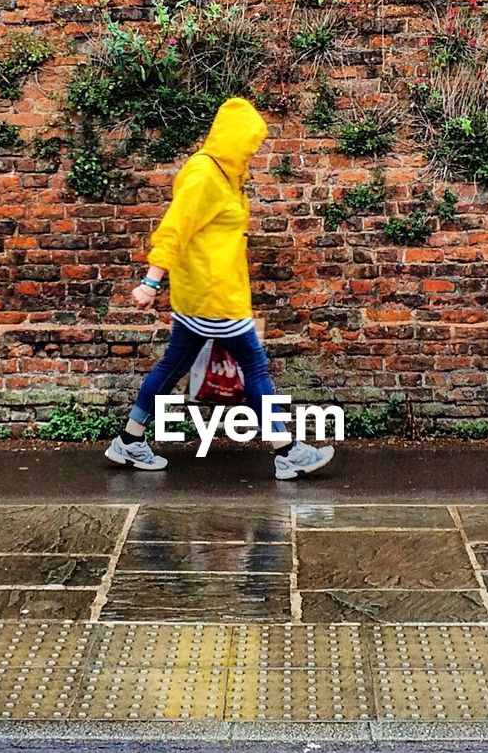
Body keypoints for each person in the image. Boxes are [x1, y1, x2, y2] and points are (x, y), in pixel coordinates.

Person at [106, 96, 336, 480]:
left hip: (207, 294)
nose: (253, 151)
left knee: (172, 365)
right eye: (249, 143)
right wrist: (150, 281)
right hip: (214, 298)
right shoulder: (205, 175)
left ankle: (129, 441)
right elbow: (174, 228)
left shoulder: (228, 176)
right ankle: (288, 452)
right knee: (256, 369)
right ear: (233, 138)